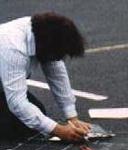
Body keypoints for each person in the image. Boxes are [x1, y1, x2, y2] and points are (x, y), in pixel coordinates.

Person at [0, 12, 90, 141]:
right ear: (47, 46)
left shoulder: (44, 35)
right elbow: (17, 103)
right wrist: (59, 131)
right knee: (14, 125)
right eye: (57, 55)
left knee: (35, 116)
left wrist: (72, 118)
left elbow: (57, 74)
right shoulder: (13, 46)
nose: (58, 59)